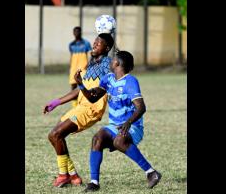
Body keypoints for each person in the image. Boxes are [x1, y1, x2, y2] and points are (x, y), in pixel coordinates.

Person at [74, 51, 162, 192]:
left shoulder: (130, 81)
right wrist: (81, 85)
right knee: (97, 138)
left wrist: (128, 122)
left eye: (112, 59)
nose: (110, 61)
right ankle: (94, 183)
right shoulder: (108, 79)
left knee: (119, 141)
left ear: (116, 63)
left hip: (133, 126)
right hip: (114, 126)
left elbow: (141, 107)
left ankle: (151, 173)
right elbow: (92, 97)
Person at [43, 33, 115, 188]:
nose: (94, 44)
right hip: (80, 107)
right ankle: (73, 176)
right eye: (94, 41)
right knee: (54, 137)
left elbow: (93, 95)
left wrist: (81, 84)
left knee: (55, 134)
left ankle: (64, 175)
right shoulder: (91, 64)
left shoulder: (108, 66)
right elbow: (80, 90)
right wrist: (56, 102)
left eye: (99, 43)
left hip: (90, 110)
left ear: (107, 48)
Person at [68, 27, 92, 107]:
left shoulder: (86, 43)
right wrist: (70, 66)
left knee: (83, 85)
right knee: (73, 86)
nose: (76, 33)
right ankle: (74, 106)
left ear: (81, 32)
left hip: (83, 68)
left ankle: (82, 104)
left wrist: (88, 64)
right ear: (73, 33)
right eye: (75, 32)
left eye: (78, 31)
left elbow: (91, 55)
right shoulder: (71, 44)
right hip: (73, 68)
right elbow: (71, 56)